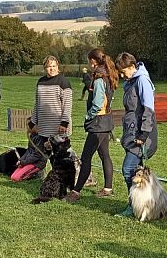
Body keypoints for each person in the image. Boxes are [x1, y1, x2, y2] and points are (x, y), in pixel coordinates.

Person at [65, 49, 118, 203]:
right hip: (106, 121)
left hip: (98, 123)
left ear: (93, 61)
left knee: (86, 157)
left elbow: (98, 102)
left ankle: (76, 191)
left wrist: (89, 115)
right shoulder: (108, 75)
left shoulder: (99, 78)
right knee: (104, 155)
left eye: (89, 61)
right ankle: (108, 188)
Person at [10, 55, 72, 181]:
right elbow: (37, 104)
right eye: (49, 67)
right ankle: (45, 176)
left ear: (58, 67)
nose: (52, 69)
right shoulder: (41, 82)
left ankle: (62, 178)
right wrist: (33, 123)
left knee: (59, 155)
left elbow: (67, 104)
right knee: (46, 154)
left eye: (54, 66)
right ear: (45, 68)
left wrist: (64, 123)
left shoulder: (64, 82)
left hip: (58, 127)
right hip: (44, 126)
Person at [113, 52, 157, 217]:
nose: (121, 75)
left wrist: (144, 133)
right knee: (134, 171)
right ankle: (142, 205)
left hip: (141, 133)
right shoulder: (133, 81)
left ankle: (135, 206)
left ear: (132, 67)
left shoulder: (142, 81)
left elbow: (148, 108)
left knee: (128, 169)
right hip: (132, 132)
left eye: (123, 71)